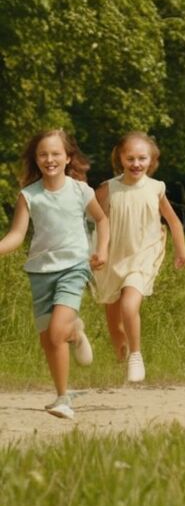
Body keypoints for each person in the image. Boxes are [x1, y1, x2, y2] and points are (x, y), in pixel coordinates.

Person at [0, 129, 109, 419]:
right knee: (49, 339)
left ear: (68, 157)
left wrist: (103, 249)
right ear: (36, 160)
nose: (49, 159)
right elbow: (16, 235)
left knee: (57, 331)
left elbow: (101, 219)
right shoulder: (29, 195)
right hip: (40, 272)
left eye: (55, 153)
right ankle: (62, 394)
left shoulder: (80, 191)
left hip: (74, 267)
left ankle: (71, 336)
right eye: (43, 154)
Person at [94, 131, 185, 383]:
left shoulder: (156, 188)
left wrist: (181, 250)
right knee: (115, 326)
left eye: (142, 158)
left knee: (129, 305)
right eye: (131, 158)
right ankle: (121, 361)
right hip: (113, 259)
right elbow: (97, 221)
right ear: (120, 159)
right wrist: (98, 251)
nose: (136, 164)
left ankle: (136, 355)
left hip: (143, 255)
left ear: (152, 160)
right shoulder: (108, 189)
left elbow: (173, 222)